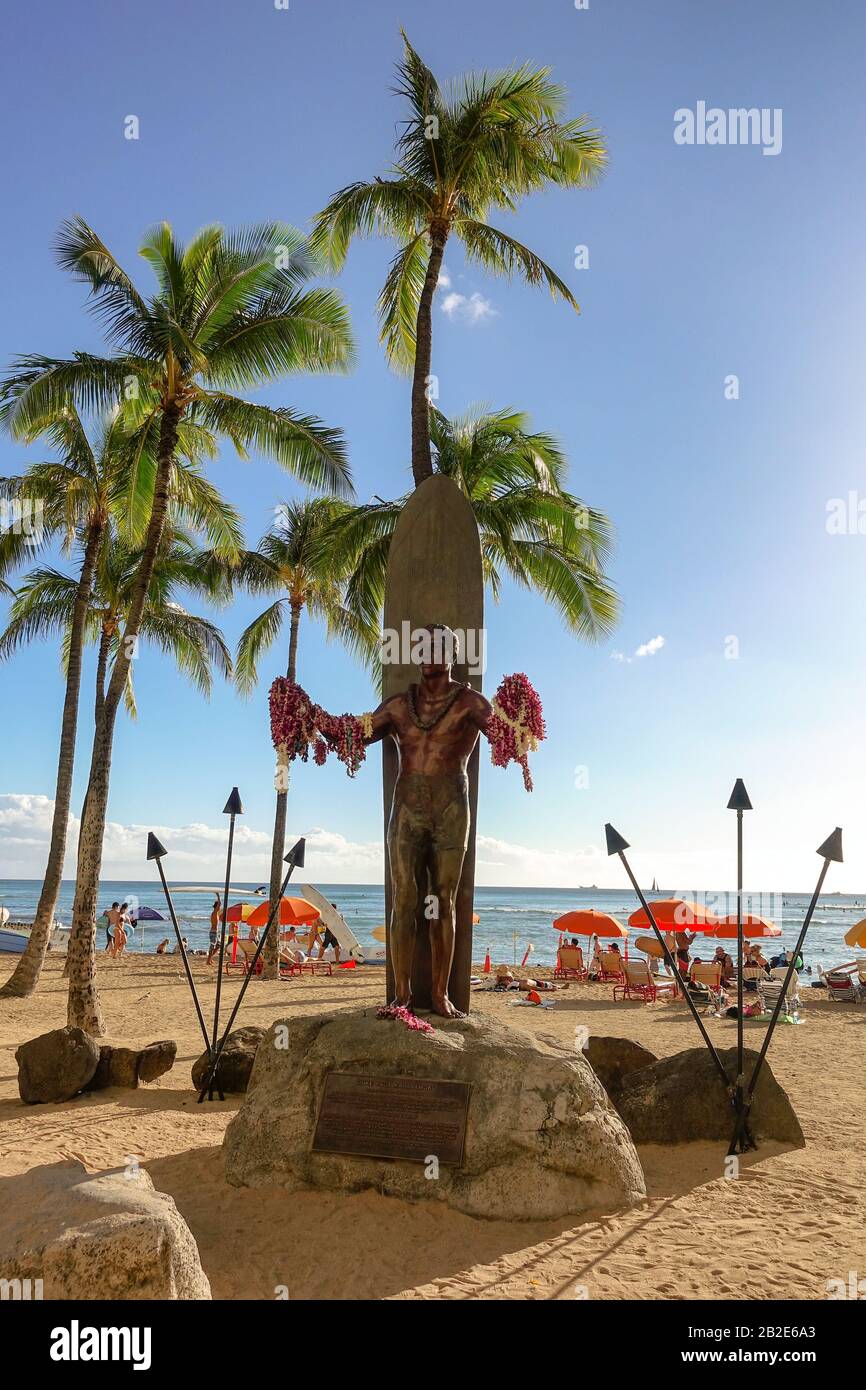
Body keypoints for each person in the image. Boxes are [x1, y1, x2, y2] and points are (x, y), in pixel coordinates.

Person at [364, 623, 493, 1018]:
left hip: (451, 810)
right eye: (421, 647)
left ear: (453, 654)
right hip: (406, 811)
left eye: (437, 647)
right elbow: (354, 735)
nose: (428, 653)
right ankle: (401, 994)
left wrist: (523, 721)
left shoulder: (471, 704)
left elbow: (509, 737)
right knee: (404, 900)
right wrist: (306, 719)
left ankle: (439, 994)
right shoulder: (399, 706)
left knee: (442, 901)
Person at [207, 894, 222, 965]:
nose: (220, 907)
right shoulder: (215, 912)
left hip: (215, 932)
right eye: (219, 906)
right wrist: (218, 895)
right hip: (213, 932)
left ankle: (210, 958)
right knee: (212, 947)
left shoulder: (216, 913)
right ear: (217, 906)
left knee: (219, 945)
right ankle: (208, 961)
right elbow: (219, 903)